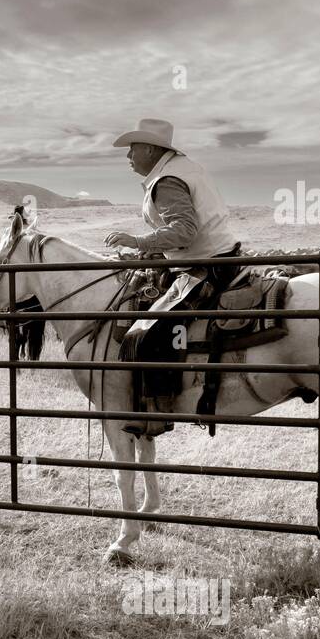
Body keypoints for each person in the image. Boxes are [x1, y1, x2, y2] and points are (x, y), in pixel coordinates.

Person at [103, 118, 243, 435]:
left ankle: (157, 411)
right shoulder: (185, 168)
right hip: (215, 257)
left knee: (144, 332)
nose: (128, 157)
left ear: (151, 149)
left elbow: (184, 230)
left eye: (133, 149)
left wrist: (139, 242)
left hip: (206, 265)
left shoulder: (167, 179)